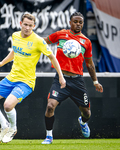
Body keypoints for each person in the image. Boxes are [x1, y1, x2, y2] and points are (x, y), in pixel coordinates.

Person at [0, 13, 66, 143]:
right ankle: (4, 125)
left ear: (34, 26)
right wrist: (2, 63)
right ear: (21, 24)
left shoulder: (38, 41)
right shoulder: (15, 35)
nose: (27, 28)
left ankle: (13, 128)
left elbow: (52, 57)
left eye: (30, 26)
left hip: (26, 82)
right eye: (25, 24)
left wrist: (61, 76)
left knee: (8, 105)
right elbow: (14, 51)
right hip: (11, 78)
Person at [41, 12, 103, 144]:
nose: (78, 24)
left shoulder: (86, 42)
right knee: (50, 106)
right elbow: (43, 42)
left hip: (77, 81)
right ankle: (49, 136)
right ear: (70, 22)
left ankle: (82, 122)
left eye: (81, 22)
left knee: (87, 113)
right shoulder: (61, 34)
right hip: (61, 79)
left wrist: (95, 82)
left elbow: (90, 64)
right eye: (75, 21)